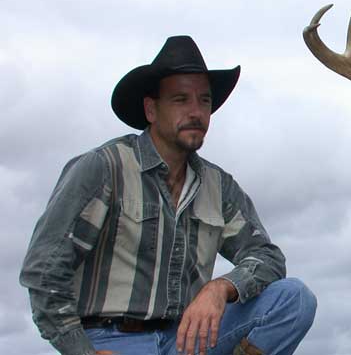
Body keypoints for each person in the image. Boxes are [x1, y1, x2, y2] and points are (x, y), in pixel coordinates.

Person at [20, 36, 317, 355]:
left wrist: (221, 288)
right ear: (151, 109)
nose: (196, 112)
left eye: (204, 101)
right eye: (180, 100)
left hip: (186, 340)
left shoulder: (218, 186)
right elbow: (43, 273)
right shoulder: (104, 168)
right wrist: (82, 352)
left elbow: (268, 257)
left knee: (294, 300)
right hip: (113, 339)